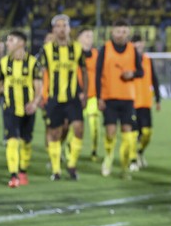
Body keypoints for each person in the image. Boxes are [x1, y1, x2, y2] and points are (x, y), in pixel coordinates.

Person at [0, 31, 42, 188]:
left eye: (11, 40)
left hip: (28, 109)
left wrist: (35, 102)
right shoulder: (4, 62)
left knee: (26, 142)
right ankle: (13, 175)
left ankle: (23, 170)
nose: (7, 43)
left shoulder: (32, 63)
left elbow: (38, 87)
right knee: (12, 141)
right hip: (10, 108)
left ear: (21, 43)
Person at [38, 14, 87, 181]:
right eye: (57, 26)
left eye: (64, 26)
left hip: (73, 98)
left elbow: (84, 70)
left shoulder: (77, 48)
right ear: (53, 30)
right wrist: (41, 96)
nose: (61, 29)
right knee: (55, 133)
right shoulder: (47, 50)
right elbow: (41, 74)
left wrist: (85, 93)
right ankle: (56, 169)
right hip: (54, 98)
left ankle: (72, 165)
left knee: (79, 129)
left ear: (69, 29)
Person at [96, 19, 143, 179]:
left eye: (124, 31)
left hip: (127, 98)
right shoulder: (105, 48)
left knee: (127, 134)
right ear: (112, 32)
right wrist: (99, 97)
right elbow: (97, 74)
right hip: (109, 97)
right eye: (118, 31)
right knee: (110, 133)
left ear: (128, 33)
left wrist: (133, 74)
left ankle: (123, 167)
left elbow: (141, 71)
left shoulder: (132, 49)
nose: (121, 34)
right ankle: (108, 159)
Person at [66, 27, 100, 161]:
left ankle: (94, 151)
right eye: (86, 36)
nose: (89, 39)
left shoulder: (96, 54)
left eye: (91, 36)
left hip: (92, 96)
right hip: (76, 96)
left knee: (94, 126)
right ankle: (69, 151)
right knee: (73, 127)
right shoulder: (72, 53)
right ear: (78, 38)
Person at [131, 34, 161, 169]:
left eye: (139, 42)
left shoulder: (147, 60)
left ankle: (140, 152)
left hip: (145, 102)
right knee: (133, 134)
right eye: (135, 42)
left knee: (147, 133)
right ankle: (133, 160)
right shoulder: (129, 60)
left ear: (143, 44)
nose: (138, 45)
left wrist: (158, 99)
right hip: (132, 102)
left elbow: (154, 79)